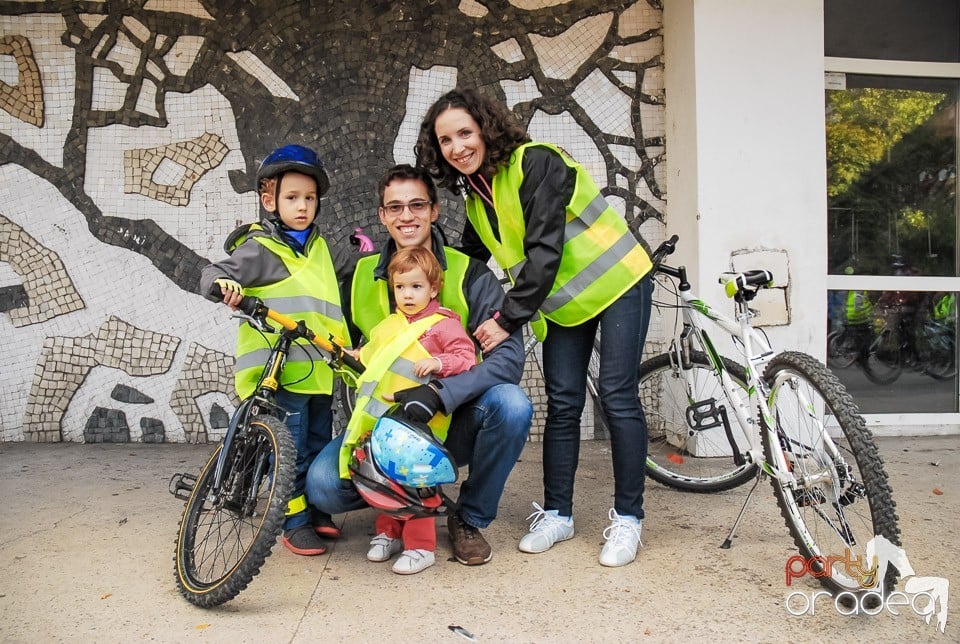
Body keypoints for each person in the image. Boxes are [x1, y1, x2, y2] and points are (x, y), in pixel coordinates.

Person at [415, 87, 655, 567]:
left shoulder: (537, 162)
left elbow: (546, 251)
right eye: (446, 141)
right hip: (564, 304)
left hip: (618, 281)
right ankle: (558, 514)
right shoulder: (479, 200)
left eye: (465, 132)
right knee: (563, 402)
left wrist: (506, 320)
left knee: (616, 395)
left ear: (486, 128)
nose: (458, 146)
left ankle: (628, 519)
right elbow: (470, 260)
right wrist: (419, 281)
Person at [306, 163, 532, 566]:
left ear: (434, 210)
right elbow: (343, 346)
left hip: (450, 422)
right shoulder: (359, 277)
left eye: (416, 205)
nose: (406, 216)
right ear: (381, 215)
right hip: (383, 426)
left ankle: (468, 517)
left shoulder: (470, 273)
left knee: (512, 404)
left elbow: (509, 360)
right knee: (323, 488)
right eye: (394, 207)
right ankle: (404, 502)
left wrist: (440, 393)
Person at [199, 144, 348, 556]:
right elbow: (214, 272)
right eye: (292, 197)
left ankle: (317, 512)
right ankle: (293, 521)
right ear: (270, 201)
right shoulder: (262, 248)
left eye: (310, 198)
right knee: (293, 451)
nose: (303, 206)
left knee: (318, 447)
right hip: (279, 372)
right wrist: (223, 286)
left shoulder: (319, 249)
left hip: (319, 372)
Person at [339, 246, 477, 574]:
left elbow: (467, 357)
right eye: (400, 287)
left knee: (415, 482)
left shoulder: (442, 326)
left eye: (416, 287)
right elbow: (370, 355)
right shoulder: (389, 325)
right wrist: (353, 354)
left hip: (419, 425)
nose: (407, 294)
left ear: (434, 288)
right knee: (384, 478)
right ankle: (388, 532)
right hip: (383, 420)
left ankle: (420, 546)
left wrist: (438, 362)